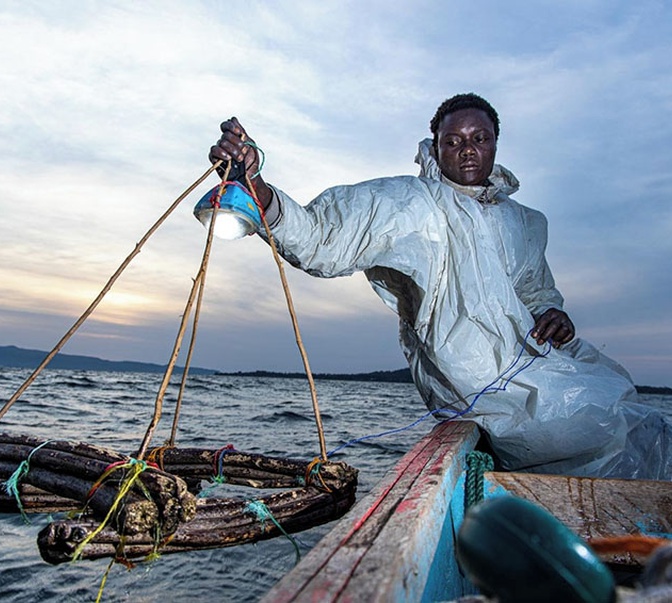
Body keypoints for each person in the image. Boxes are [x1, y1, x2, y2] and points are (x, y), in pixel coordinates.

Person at [208, 93, 671, 480]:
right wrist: (258, 188)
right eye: (453, 140)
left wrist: (555, 314)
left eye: (479, 139)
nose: (467, 150)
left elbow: (536, 290)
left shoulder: (526, 223)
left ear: (495, 145)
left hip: (535, 364)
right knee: (591, 428)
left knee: (633, 418)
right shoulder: (411, 205)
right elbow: (321, 238)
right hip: (462, 379)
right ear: (436, 146)